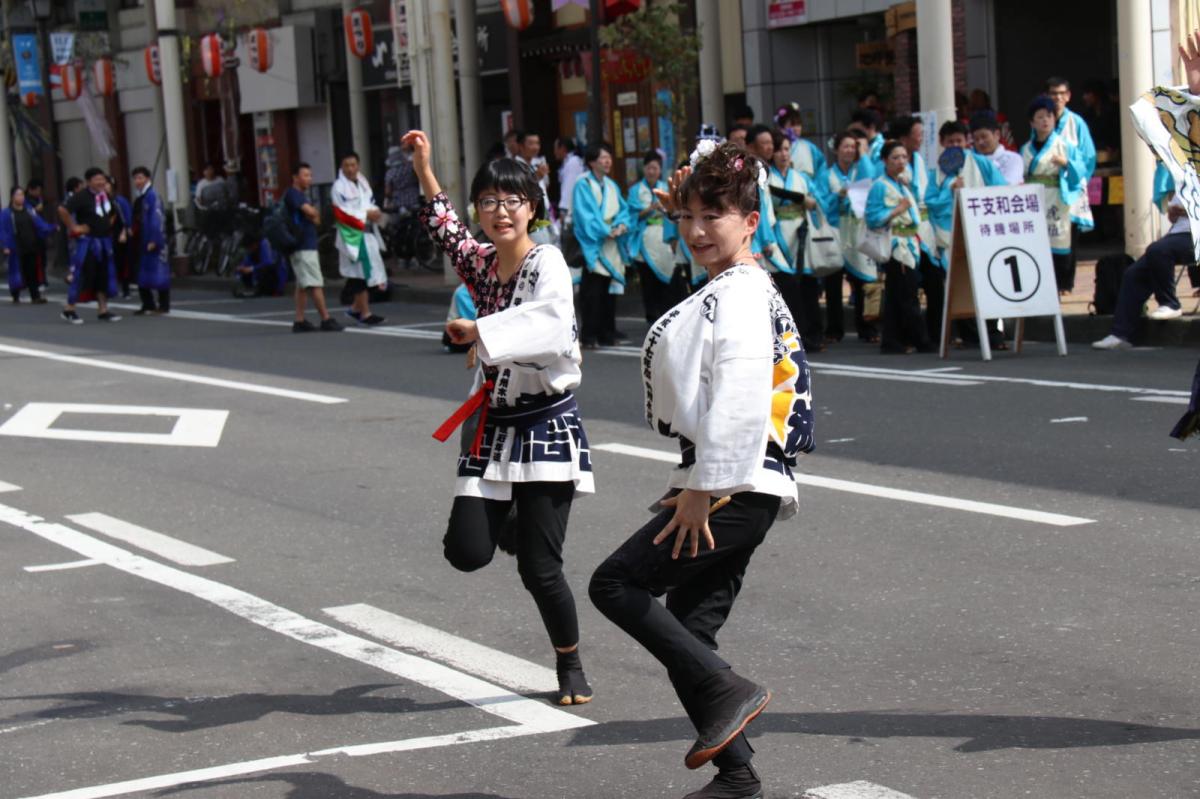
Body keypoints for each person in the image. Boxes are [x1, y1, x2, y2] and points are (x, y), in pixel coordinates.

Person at [589, 141, 814, 799]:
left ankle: (727, 688)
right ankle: (737, 774)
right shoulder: (739, 282)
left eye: (713, 215)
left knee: (615, 583)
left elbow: (742, 394)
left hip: (737, 482)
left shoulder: (742, 290)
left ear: (750, 219)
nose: (695, 230)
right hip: (748, 483)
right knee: (688, 626)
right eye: (687, 217)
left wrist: (702, 487)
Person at [404, 128, 596, 707]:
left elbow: (551, 326)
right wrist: (423, 167)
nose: (499, 212)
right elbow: (445, 228)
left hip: (545, 425)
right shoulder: (482, 264)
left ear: (532, 208)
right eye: (488, 201)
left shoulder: (548, 264)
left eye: (512, 201)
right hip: (491, 424)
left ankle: (570, 664)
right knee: (465, 552)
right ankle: (511, 524)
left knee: (541, 570)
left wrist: (483, 332)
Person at [925, 122, 1006, 349]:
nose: (955, 145)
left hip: (980, 231)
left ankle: (994, 335)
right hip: (948, 235)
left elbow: (1000, 189)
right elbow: (930, 203)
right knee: (958, 286)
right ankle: (970, 335)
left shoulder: (980, 163)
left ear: (966, 141)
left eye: (959, 141)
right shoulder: (937, 172)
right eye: (950, 142)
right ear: (942, 143)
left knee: (986, 282)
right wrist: (949, 190)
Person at [1093, 192, 1191, 349]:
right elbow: (1173, 219)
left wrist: (1189, 210)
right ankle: (1120, 333)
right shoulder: (1189, 182)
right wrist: (1174, 213)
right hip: (1178, 234)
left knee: (1157, 250)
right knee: (1133, 273)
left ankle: (1170, 303)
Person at [867, 141, 932, 354]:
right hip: (896, 245)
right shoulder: (880, 185)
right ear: (885, 161)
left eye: (904, 157)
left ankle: (894, 340)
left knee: (897, 295)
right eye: (895, 157)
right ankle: (919, 339)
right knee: (907, 294)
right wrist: (896, 210)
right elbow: (872, 217)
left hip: (909, 243)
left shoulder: (903, 184)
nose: (901, 161)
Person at [767, 132, 827, 351]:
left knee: (809, 287)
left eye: (786, 149)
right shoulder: (767, 178)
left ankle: (814, 333)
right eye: (779, 149)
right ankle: (792, 335)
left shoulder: (801, 178)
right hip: (779, 232)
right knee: (787, 288)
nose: (783, 154)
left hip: (802, 234)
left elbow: (817, 200)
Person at [1021, 96, 1085, 296]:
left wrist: (1066, 163)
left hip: (1056, 197)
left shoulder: (1063, 146)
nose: (1045, 120)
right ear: (1032, 122)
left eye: (1048, 116)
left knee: (1059, 240)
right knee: (1035, 242)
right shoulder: (1025, 149)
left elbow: (1080, 169)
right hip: (1034, 199)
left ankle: (1061, 284)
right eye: (1039, 117)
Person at [888, 115, 943, 344]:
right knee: (905, 289)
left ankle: (936, 332)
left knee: (934, 282)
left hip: (924, 230)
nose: (921, 139)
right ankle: (913, 337)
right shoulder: (887, 173)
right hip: (902, 235)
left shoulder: (920, 160)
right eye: (917, 135)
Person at [573, 141, 632, 348]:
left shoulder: (611, 185)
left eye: (608, 157)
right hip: (595, 244)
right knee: (592, 292)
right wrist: (607, 231)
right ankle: (589, 335)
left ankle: (607, 332)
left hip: (611, 243)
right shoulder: (583, 184)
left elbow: (623, 210)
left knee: (609, 292)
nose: (607, 162)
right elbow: (585, 216)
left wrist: (621, 225)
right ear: (591, 162)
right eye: (602, 158)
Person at [826, 130, 880, 343]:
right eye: (845, 146)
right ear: (837, 149)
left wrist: (864, 153)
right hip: (836, 229)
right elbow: (822, 199)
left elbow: (871, 181)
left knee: (863, 281)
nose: (849, 150)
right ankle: (833, 329)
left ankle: (867, 327)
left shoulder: (861, 168)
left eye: (852, 146)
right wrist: (837, 197)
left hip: (857, 229)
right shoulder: (828, 173)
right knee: (833, 281)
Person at [1046, 76, 1097, 292]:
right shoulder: (1042, 120)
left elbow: (1088, 157)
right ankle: (1051, 283)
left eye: (1061, 94)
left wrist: (1071, 167)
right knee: (1048, 235)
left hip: (1072, 186)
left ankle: (1066, 284)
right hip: (1048, 189)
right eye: (1053, 94)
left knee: (1069, 237)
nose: (1057, 98)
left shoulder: (1076, 123)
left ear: (1068, 96)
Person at [626, 151, 683, 322]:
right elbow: (632, 214)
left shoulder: (665, 187)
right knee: (648, 279)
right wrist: (651, 208)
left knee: (667, 277)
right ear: (644, 169)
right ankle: (651, 315)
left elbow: (674, 211)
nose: (652, 171)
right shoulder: (635, 190)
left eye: (655, 168)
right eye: (649, 167)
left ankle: (666, 314)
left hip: (664, 237)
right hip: (644, 237)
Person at [285, 162, 342, 333]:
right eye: (305, 175)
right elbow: (312, 213)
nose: (309, 179)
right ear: (295, 178)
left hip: (304, 244)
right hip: (303, 246)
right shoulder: (293, 194)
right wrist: (312, 213)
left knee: (302, 285)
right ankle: (325, 318)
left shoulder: (300, 195)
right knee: (314, 282)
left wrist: (313, 214)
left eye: (310, 175)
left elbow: (316, 218)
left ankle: (299, 320)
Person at [62, 167, 123, 324]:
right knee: (82, 275)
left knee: (103, 275)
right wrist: (74, 227)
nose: (101, 182)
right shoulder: (81, 197)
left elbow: (113, 213)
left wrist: (105, 226)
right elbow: (63, 210)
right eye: (97, 179)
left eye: (102, 179)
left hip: (103, 241)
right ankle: (69, 308)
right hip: (87, 242)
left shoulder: (105, 196)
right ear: (89, 182)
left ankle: (103, 309)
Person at [332, 151, 387, 326]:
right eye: (347, 165)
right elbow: (342, 212)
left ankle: (357, 309)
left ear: (358, 165)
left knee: (362, 273)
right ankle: (364, 312)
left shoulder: (363, 183)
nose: (350, 169)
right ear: (341, 167)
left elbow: (369, 202)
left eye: (353, 165)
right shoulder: (338, 187)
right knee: (359, 274)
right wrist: (366, 214)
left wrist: (375, 211)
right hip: (352, 236)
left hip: (366, 233)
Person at [2, 186, 55, 303]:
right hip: (15, 246)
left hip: (30, 244)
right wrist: (5, 246)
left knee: (32, 270)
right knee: (16, 270)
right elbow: (3, 230)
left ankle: (35, 295)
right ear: (12, 197)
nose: (21, 197)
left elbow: (39, 223)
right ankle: (15, 293)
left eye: (22, 195)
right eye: (18, 195)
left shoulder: (29, 210)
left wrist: (51, 227)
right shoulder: (7, 213)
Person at [130, 166, 171, 315]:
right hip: (143, 239)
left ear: (147, 178)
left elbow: (157, 218)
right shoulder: (142, 197)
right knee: (143, 272)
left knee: (159, 272)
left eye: (140, 178)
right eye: (135, 178)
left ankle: (163, 305)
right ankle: (148, 303)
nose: (138, 181)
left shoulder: (152, 196)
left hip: (153, 239)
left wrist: (155, 239)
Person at [774, 103, 827, 185]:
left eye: (798, 125)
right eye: (792, 125)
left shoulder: (809, 147)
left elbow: (821, 169)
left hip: (808, 189)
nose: (796, 128)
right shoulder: (775, 146)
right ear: (781, 127)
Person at [969, 112, 1023, 186]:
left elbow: (1008, 186)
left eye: (984, 136)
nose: (980, 142)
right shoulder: (971, 161)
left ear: (997, 134)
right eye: (976, 139)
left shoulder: (1013, 158)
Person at [109, 175, 134, 298]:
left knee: (122, 261)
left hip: (119, 234)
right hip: (107, 234)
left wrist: (125, 231)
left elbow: (127, 217)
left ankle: (126, 288)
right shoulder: (100, 201)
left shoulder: (119, 201)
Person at [554, 136, 585, 223]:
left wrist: (563, 209)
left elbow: (568, 187)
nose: (554, 152)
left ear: (562, 148)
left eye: (556, 148)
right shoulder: (570, 161)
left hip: (571, 207)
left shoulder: (573, 162)